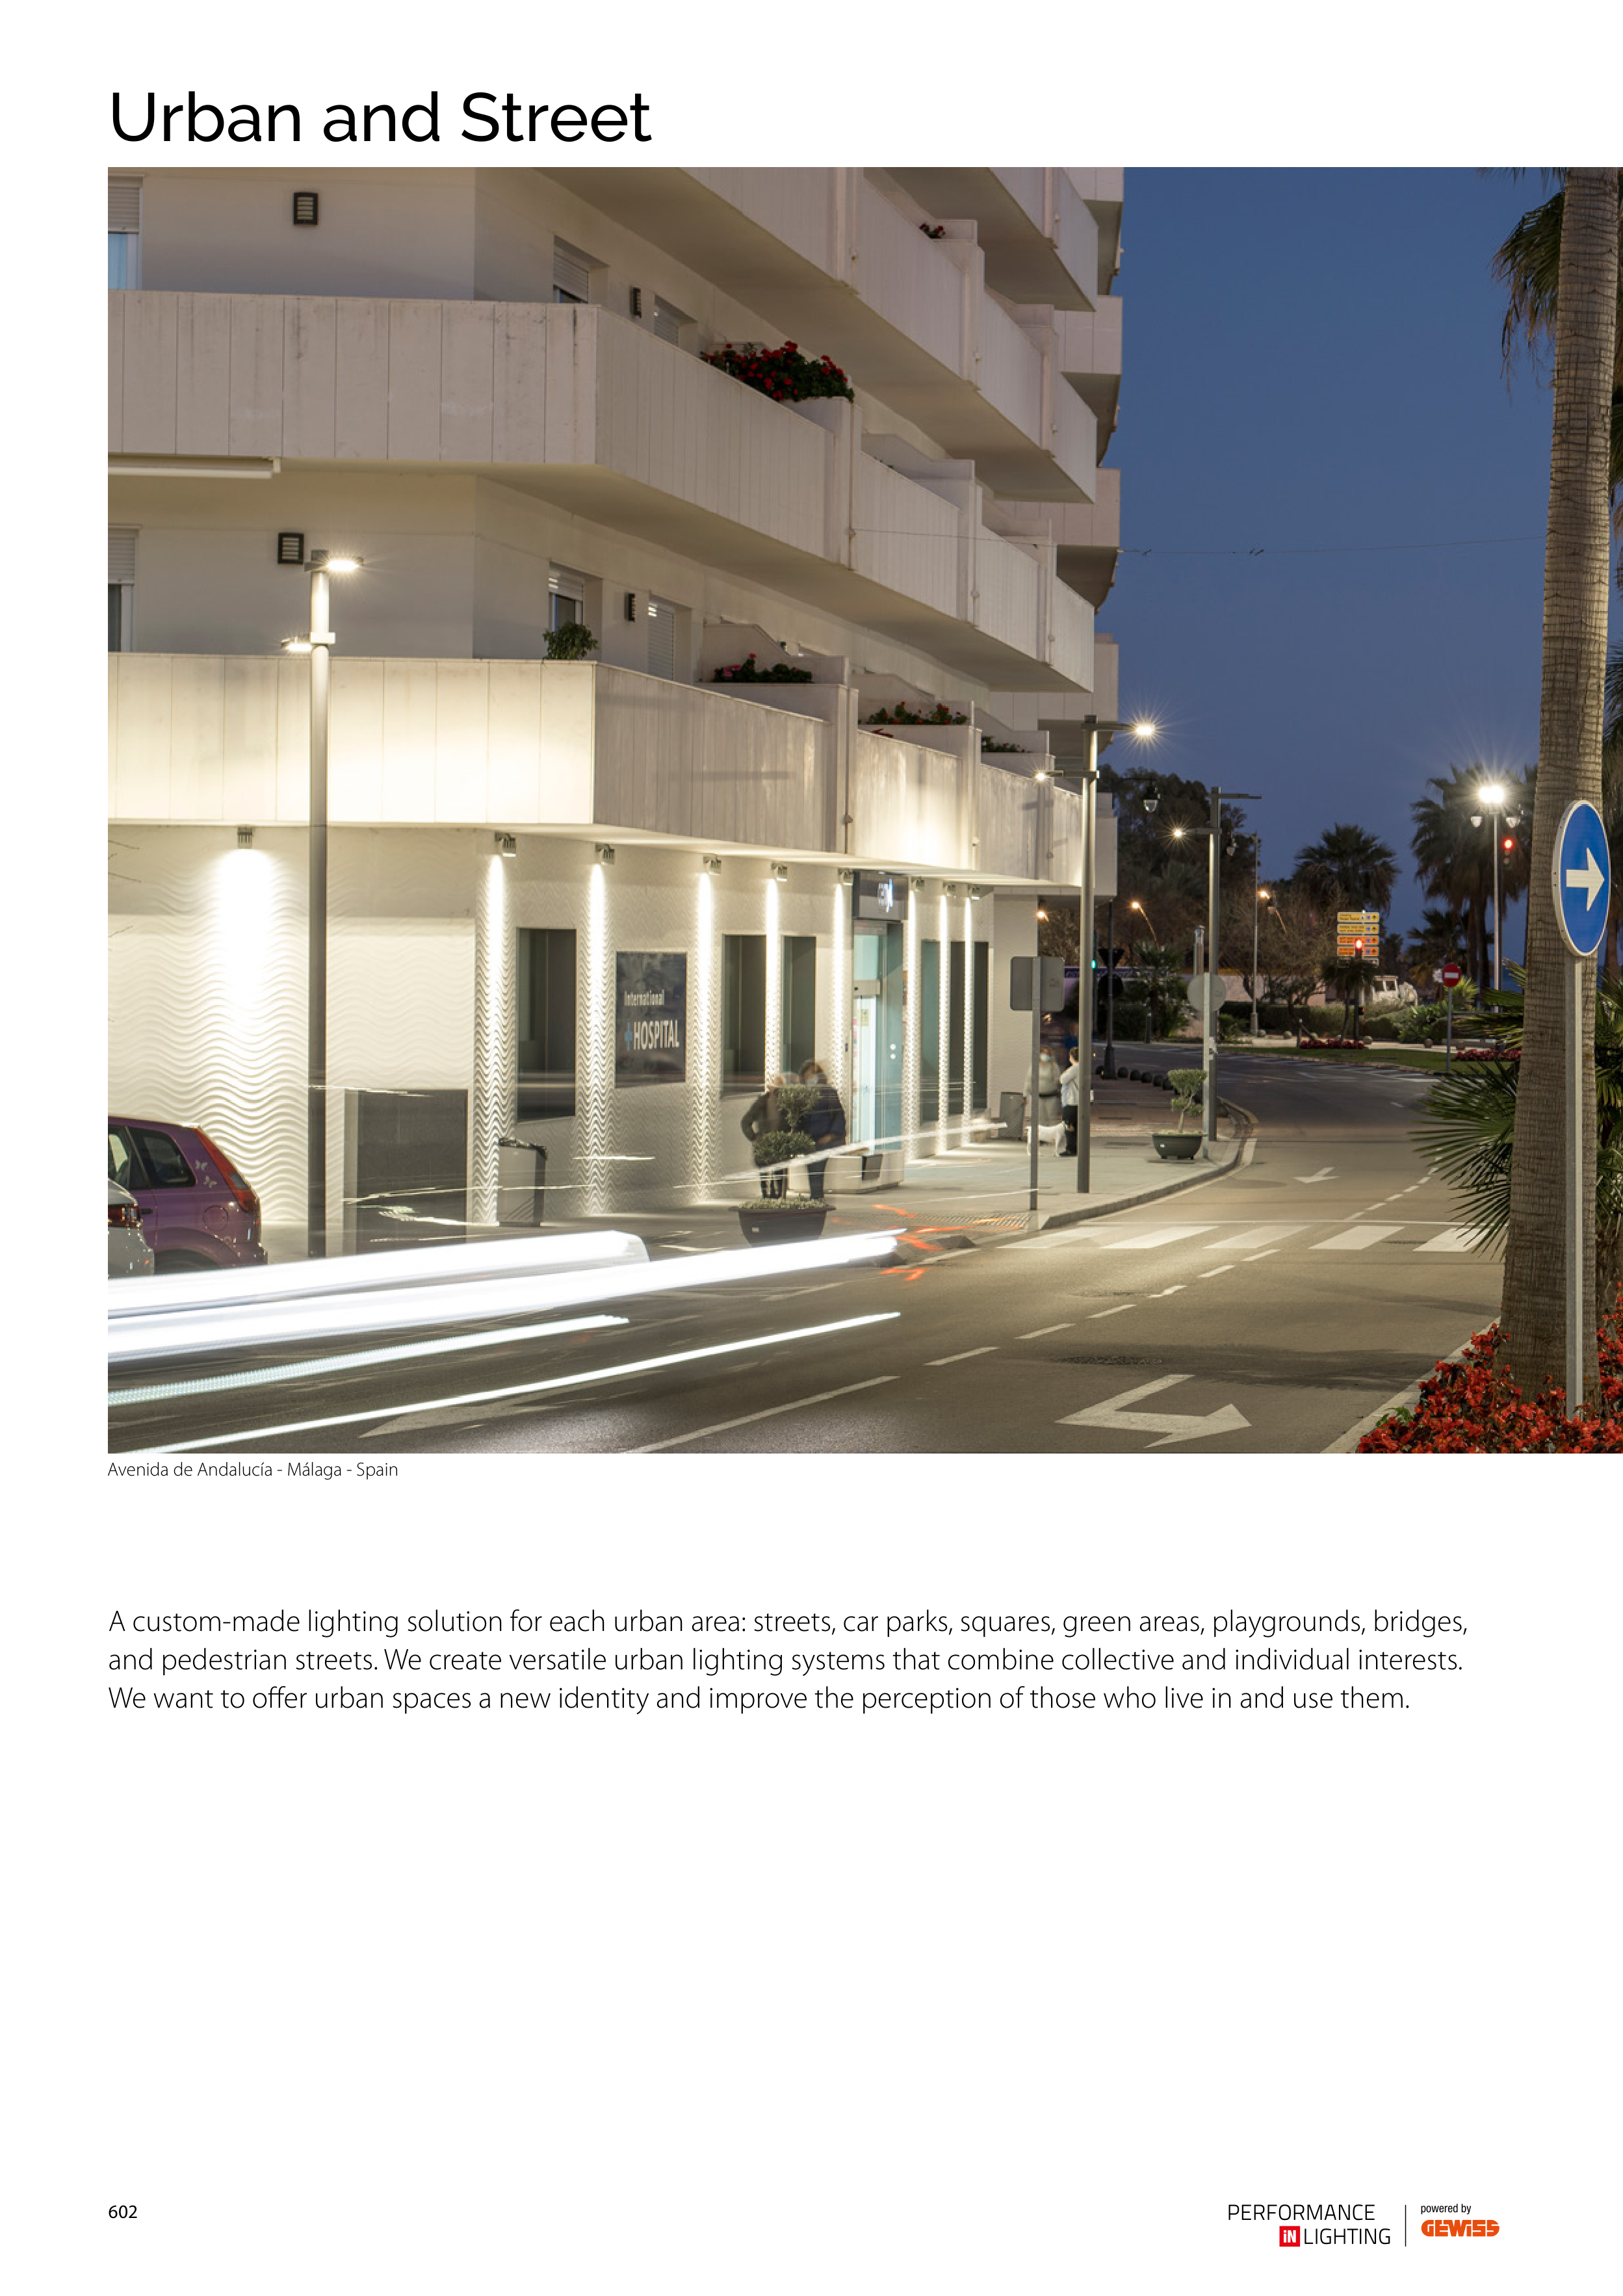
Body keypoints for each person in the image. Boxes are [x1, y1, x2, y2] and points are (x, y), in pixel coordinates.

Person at [798, 1059, 847, 1201]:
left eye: (811, 1075)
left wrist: (831, 1135)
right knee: (812, 1171)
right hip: (809, 1139)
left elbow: (839, 1114)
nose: (809, 1078)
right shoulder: (804, 1093)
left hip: (824, 1138)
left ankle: (817, 1199)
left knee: (817, 1171)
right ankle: (816, 1199)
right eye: (807, 1076)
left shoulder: (828, 1092)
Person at [740, 1075, 785, 1196]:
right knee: (764, 1172)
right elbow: (745, 1121)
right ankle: (766, 1195)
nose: (778, 1088)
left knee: (778, 1173)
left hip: (779, 1144)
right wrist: (753, 1137)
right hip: (764, 1143)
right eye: (776, 1085)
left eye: (780, 1085)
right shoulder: (761, 1103)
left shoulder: (785, 1104)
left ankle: (778, 1196)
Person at [1024, 1047, 1062, 1141]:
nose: (1045, 1056)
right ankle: (1041, 1138)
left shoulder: (1053, 1066)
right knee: (1039, 1118)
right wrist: (1025, 1095)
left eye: (1047, 1054)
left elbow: (1058, 1079)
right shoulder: (1034, 1066)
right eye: (1043, 1053)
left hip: (1051, 1095)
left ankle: (1052, 1137)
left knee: (1051, 1117)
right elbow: (1029, 1080)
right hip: (1038, 1096)